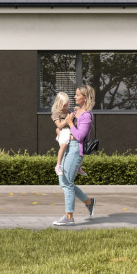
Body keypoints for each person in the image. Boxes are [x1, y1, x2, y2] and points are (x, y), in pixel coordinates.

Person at [52, 85, 96, 226]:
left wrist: (70, 123)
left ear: (85, 97)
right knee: (64, 182)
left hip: (76, 149)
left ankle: (69, 216)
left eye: (78, 95)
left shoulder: (86, 115)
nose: (75, 97)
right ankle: (89, 202)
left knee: (67, 183)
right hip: (68, 148)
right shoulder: (77, 111)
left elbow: (79, 136)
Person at [51, 92, 71, 175]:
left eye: (67, 105)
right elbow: (59, 125)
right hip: (64, 131)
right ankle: (58, 165)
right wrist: (67, 120)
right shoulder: (56, 113)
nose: (65, 107)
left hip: (69, 131)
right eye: (64, 105)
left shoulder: (68, 112)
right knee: (64, 146)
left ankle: (78, 166)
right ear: (59, 104)